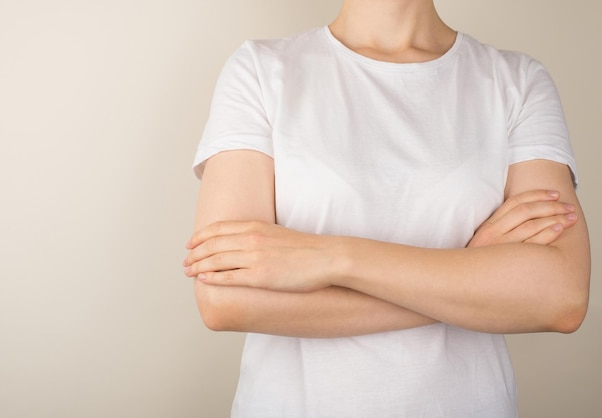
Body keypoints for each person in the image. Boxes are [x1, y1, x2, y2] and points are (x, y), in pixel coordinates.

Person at [184, 0, 591, 416]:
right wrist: (468, 272)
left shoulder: (517, 81)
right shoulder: (260, 70)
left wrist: (334, 258)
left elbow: (561, 297)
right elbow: (225, 298)